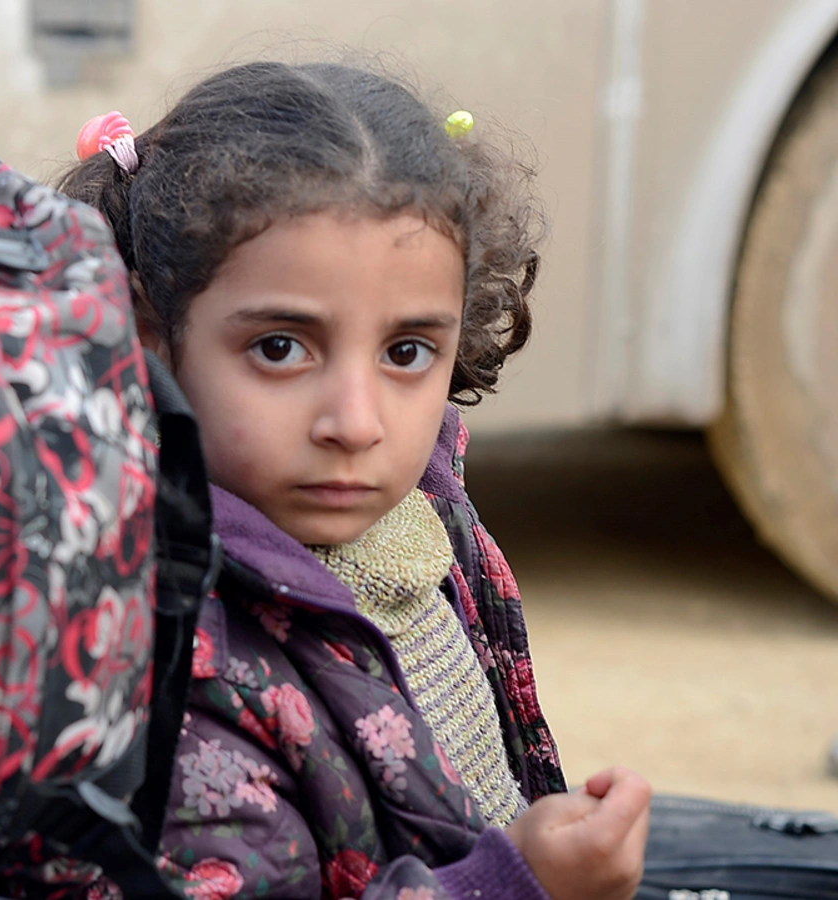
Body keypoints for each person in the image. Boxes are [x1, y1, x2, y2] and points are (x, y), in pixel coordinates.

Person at [59, 61, 652, 900]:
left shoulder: (420, 520)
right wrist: (511, 884)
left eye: (406, 353)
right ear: (152, 337)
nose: (356, 421)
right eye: (281, 347)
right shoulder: (179, 657)